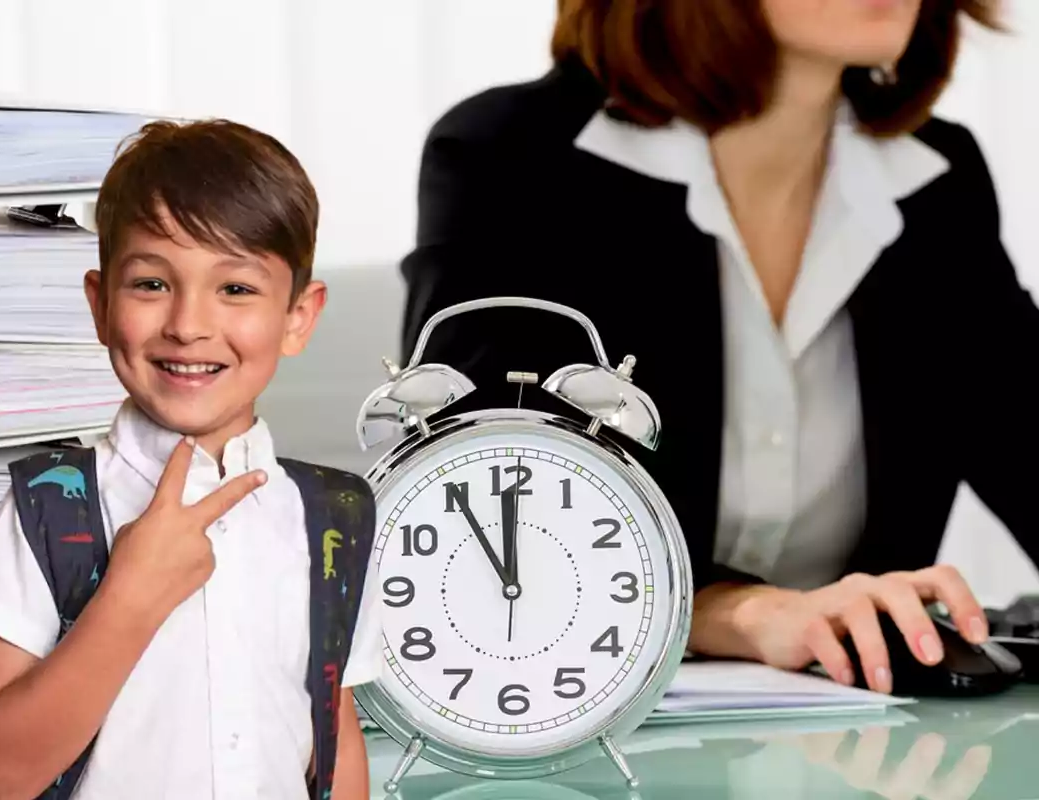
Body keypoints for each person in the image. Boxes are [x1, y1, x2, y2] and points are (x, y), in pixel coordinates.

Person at [399, 0, 1038, 695]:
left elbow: (1019, 430)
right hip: (577, 723)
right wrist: (736, 611)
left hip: (872, 741)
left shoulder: (936, 180)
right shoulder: (510, 155)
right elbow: (484, 506)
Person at [0, 119, 380, 799]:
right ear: (100, 305)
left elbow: (335, 736)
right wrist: (128, 598)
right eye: (151, 284)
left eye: (235, 289)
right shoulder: (51, 503)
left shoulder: (335, 515)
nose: (187, 324)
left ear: (299, 316)